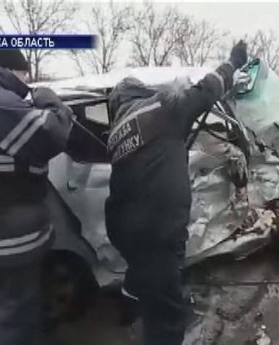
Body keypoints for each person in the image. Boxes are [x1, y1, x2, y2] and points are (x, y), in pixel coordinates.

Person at [104, 40, 248, 345]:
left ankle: (131, 309)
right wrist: (232, 63)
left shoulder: (116, 133)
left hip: (123, 227)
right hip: (157, 227)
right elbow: (209, 88)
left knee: (143, 276)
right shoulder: (161, 107)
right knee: (167, 314)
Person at [0, 49, 73, 345]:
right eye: (24, 74)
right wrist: (51, 100)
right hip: (3, 231)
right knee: (16, 312)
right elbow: (52, 135)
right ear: (9, 69)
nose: (27, 82)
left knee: (7, 301)